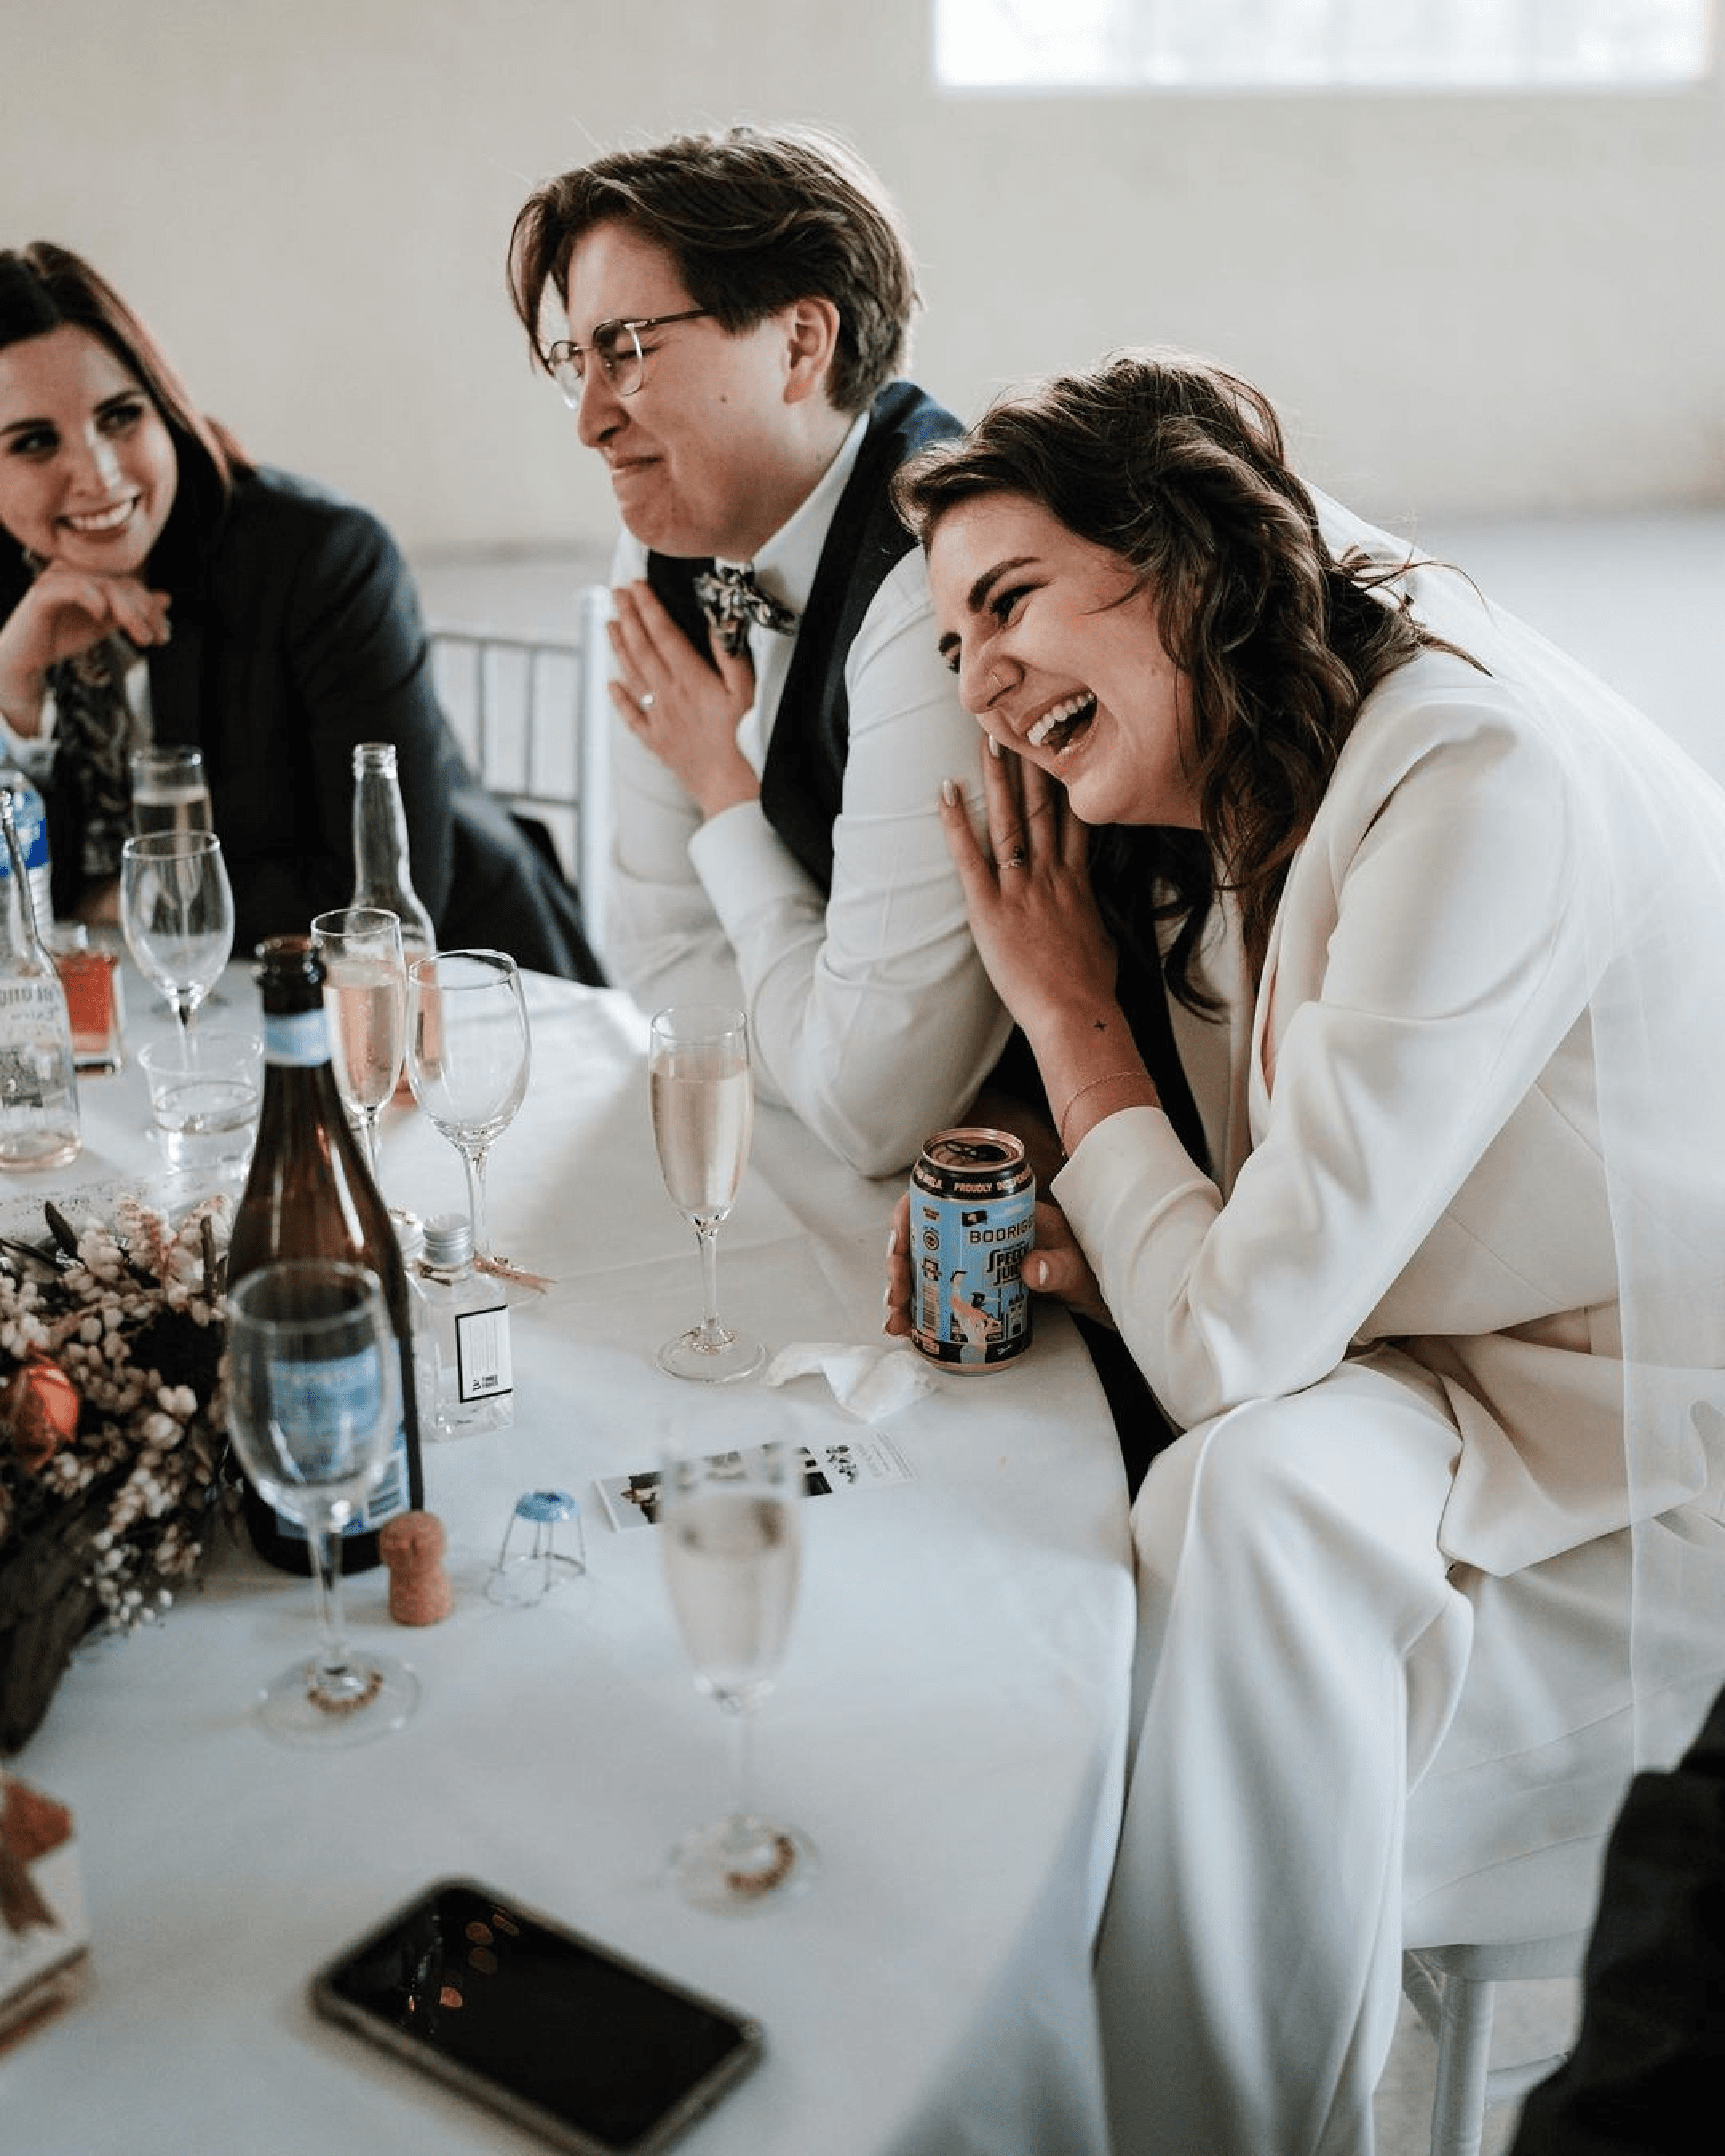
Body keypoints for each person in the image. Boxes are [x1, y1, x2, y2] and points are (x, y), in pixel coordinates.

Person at [882, 348, 1725, 2154]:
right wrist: (1082, 1206)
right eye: (953, 644)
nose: (979, 682)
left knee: (1233, 1493)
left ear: (1181, 557)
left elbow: (1235, 1341)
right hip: (1462, 1388)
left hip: (1651, 1473)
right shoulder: (1250, 791)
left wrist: (1069, 1019)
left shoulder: (1470, 777)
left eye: (1008, 599)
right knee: (1223, 1501)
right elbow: (1257, 1257)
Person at [504, 124, 1011, 1176]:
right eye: (576, 361)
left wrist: (723, 794)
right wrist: (810, 1040)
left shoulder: (933, 586)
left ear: (799, 345)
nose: (590, 421)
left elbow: (871, 1108)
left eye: (625, 349)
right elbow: (653, 957)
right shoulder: (665, 545)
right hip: (795, 1156)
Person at [0, 242, 604, 980]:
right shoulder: (10, 595)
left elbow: (377, 900)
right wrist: (14, 693)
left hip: (456, 982)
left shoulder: (322, 560)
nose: (98, 474)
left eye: (121, 416)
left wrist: (115, 897)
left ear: (166, 410)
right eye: (34, 443)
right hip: (165, 1000)